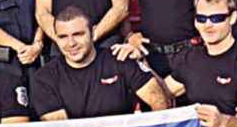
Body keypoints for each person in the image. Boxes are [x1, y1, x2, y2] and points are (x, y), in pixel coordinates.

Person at [31, 6, 170, 120]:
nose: (71, 43)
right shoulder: (44, 78)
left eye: (78, 34)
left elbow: (161, 102)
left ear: (92, 33)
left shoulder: (120, 59)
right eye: (63, 37)